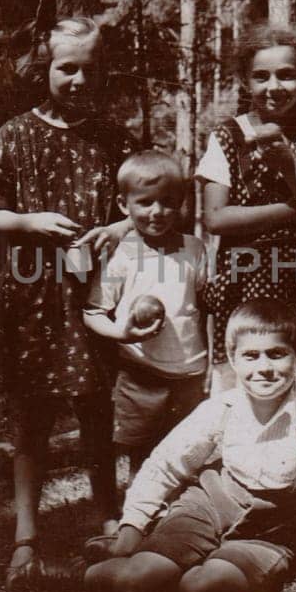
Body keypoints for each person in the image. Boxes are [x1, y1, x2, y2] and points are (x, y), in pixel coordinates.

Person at [0, 11, 130, 589]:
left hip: (96, 292)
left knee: (97, 413)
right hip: (34, 293)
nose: (78, 81)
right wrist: (32, 221)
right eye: (67, 68)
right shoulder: (16, 134)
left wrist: (115, 231)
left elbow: (139, 209)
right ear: (46, 67)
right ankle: (26, 540)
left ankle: (109, 521)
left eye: (89, 70)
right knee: (32, 418)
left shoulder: (112, 138)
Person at [84, 300, 296, 592]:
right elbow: (165, 465)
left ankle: (182, 566)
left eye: (277, 354)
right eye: (251, 356)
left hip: (271, 530)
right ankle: (91, 567)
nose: (264, 368)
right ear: (233, 359)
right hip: (208, 507)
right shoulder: (222, 406)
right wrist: (130, 530)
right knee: (135, 579)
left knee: (204, 588)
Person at [197, 22, 296, 394]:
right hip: (244, 279)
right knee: (247, 385)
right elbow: (216, 218)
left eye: (286, 76)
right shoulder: (228, 136)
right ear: (246, 82)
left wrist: (289, 167)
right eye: (261, 77)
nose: (274, 87)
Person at [83, 150, 208, 479]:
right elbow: (94, 312)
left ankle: (180, 522)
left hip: (190, 374)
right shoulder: (121, 254)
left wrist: (211, 363)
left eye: (168, 201)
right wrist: (122, 334)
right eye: (145, 201)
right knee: (142, 455)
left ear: (181, 202)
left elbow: (205, 306)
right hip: (141, 374)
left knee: (188, 454)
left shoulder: (194, 248)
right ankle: (140, 521)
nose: (157, 212)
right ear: (124, 205)